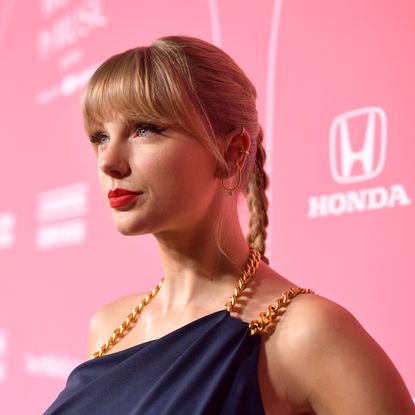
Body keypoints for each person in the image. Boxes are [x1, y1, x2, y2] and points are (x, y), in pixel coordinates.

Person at [43, 35, 415, 415]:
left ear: (232, 152)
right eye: (100, 137)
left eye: (145, 128)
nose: (108, 161)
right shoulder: (108, 327)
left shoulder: (303, 334)